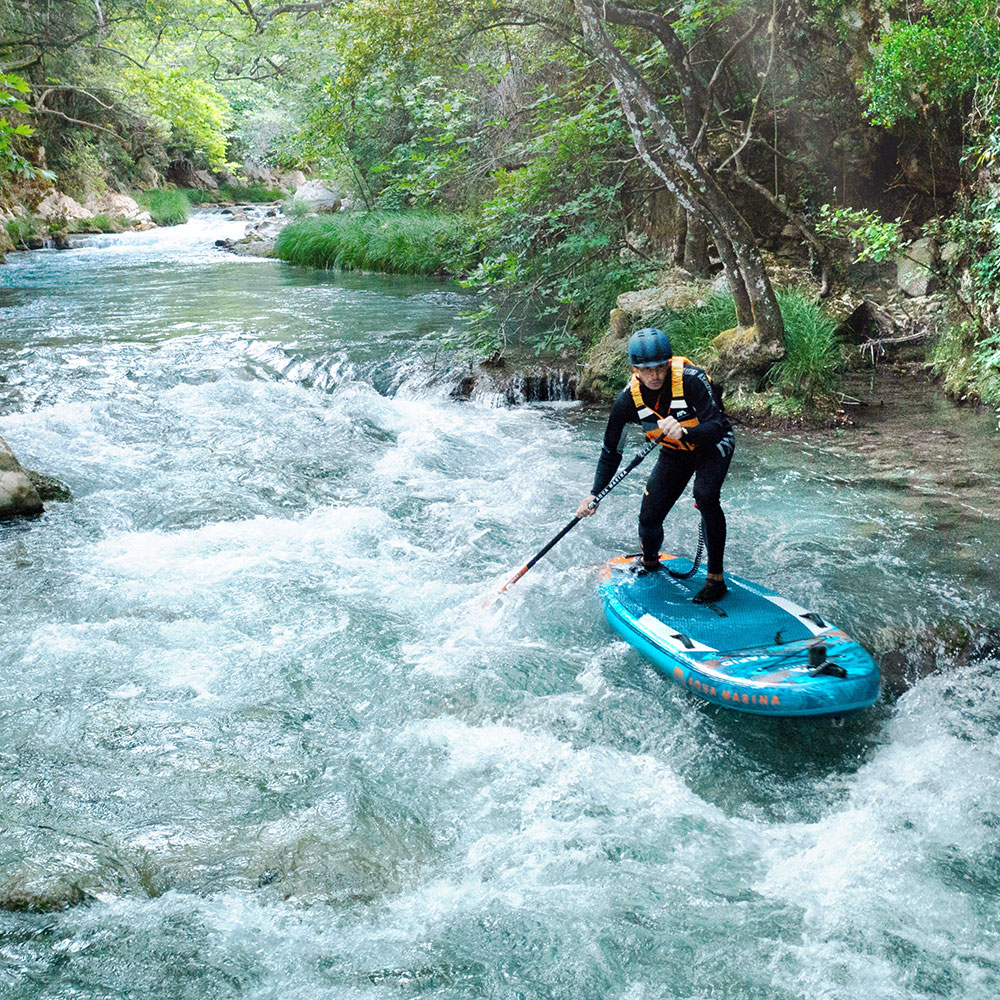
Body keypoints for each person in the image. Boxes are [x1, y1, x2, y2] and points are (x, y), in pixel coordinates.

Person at [577, 327, 735, 604]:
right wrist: (595, 493)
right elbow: (611, 451)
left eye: (660, 368)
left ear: (667, 364)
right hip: (676, 452)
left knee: (706, 495)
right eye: (646, 370)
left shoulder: (691, 381)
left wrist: (685, 433)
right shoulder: (627, 401)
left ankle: (716, 580)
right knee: (649, 514)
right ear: (635, 369)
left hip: (712, 444)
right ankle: (649, 563)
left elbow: (716, 426)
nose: (655, 376)